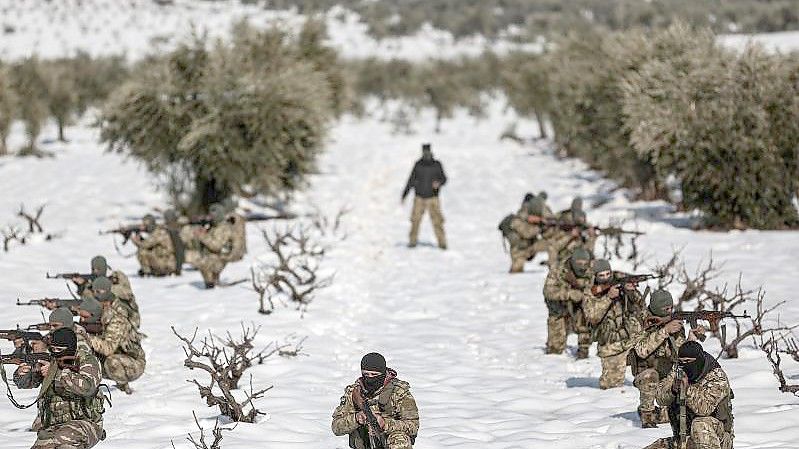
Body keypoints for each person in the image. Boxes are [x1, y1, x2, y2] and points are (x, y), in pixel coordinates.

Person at [14, 327, 106, 449]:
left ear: (71, 348)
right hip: (53, 427)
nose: (56, 353)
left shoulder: (86, 360)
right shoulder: (50, 360)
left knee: (64, 441)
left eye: (60, 350)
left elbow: (87, 386)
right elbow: (27, 383)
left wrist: (56, 374)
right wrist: (21, 374)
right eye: (53, 349)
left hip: (86, 423)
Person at [631, 289, 703, 428]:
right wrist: (665, 331)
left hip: (668, 374)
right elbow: (641, 350)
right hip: (647, 372)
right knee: (649, 376)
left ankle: (663, 412)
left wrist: (691, 339)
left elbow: (680, 353)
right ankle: (647, 414)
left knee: (671, 416)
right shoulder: (639, 321)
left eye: (671, 308)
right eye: (665, 309)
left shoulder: (674, 322)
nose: (669, 312)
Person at [642, 341, 734, 449]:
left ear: (699, 360)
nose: (684, 365)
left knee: (700, 424)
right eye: (681, 362)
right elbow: (660, 398)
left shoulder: (717, 377)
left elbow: (704, 409)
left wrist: (687, 390)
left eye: (688, 361)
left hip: (715, 439)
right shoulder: (678, 370)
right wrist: (672, 389)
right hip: (685, 439)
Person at [332, 352, 419, 449]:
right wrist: (356, 418)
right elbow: (336, 427)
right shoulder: (354, 392)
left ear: (383, 373)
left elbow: (413, 426)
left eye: (374, 374)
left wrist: (385, 424)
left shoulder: (398, 392)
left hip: (389, 443)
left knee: (399, 440)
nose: (370, 378)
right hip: (365, 444)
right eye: (366, 374)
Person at [582, 259, 645, 389]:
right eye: (601, 275)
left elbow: (641, 306)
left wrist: (630, 291)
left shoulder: (621, 280)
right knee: (611, 387)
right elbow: (592, 316)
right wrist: (608, 298)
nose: (605, 278)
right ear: (595, 276)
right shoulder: (590, 291)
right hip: (610, 343)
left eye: (608, 274)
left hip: (633, 336)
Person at [87, 277, 146, 394]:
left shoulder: (118, 313)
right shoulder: (102, 308)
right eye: (94, 291)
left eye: (99, 291)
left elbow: (108, 348)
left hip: (132, 361)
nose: (95, 295)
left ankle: (123, 388)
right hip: (118, 354)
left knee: (111, 362)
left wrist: (87, 337)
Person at [542, 247, 594, 358]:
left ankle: (584, 347)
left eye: (585, 263)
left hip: (582, 308)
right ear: (572, 261)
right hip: (560, 309)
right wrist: (569, 294)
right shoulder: (558, 270)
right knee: (555, 351)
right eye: (579, 263)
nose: (582, 266)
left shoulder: (591, 270)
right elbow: (548, 291)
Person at [401, 143, 447, 249]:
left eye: (428, 152)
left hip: (433, 198)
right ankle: (412, 241)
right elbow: (411, 180)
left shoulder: (437, 164)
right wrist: (404, 194)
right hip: (419, 198)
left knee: (438, 221)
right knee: (415, 220)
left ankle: (442, 243)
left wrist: (438, 183)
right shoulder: (418, 165)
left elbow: (444, 179)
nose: (426, 154)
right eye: (424, 152)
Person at [500, 195, 548, 273]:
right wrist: (540, 226)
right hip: (519, 251)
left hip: (530, 246)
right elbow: (527, 233)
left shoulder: (531, 218)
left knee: (552, 244)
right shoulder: (517, 219)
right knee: (516, 272)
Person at [192, 203, 234, 288]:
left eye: (214, 215)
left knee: (202, 262)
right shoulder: (214, 226)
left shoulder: (223, 227)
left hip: (221, 256)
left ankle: (211, 284)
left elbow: (216, 246)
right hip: (214, 255)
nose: (211, 217)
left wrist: (202, 236)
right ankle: (212, 282)